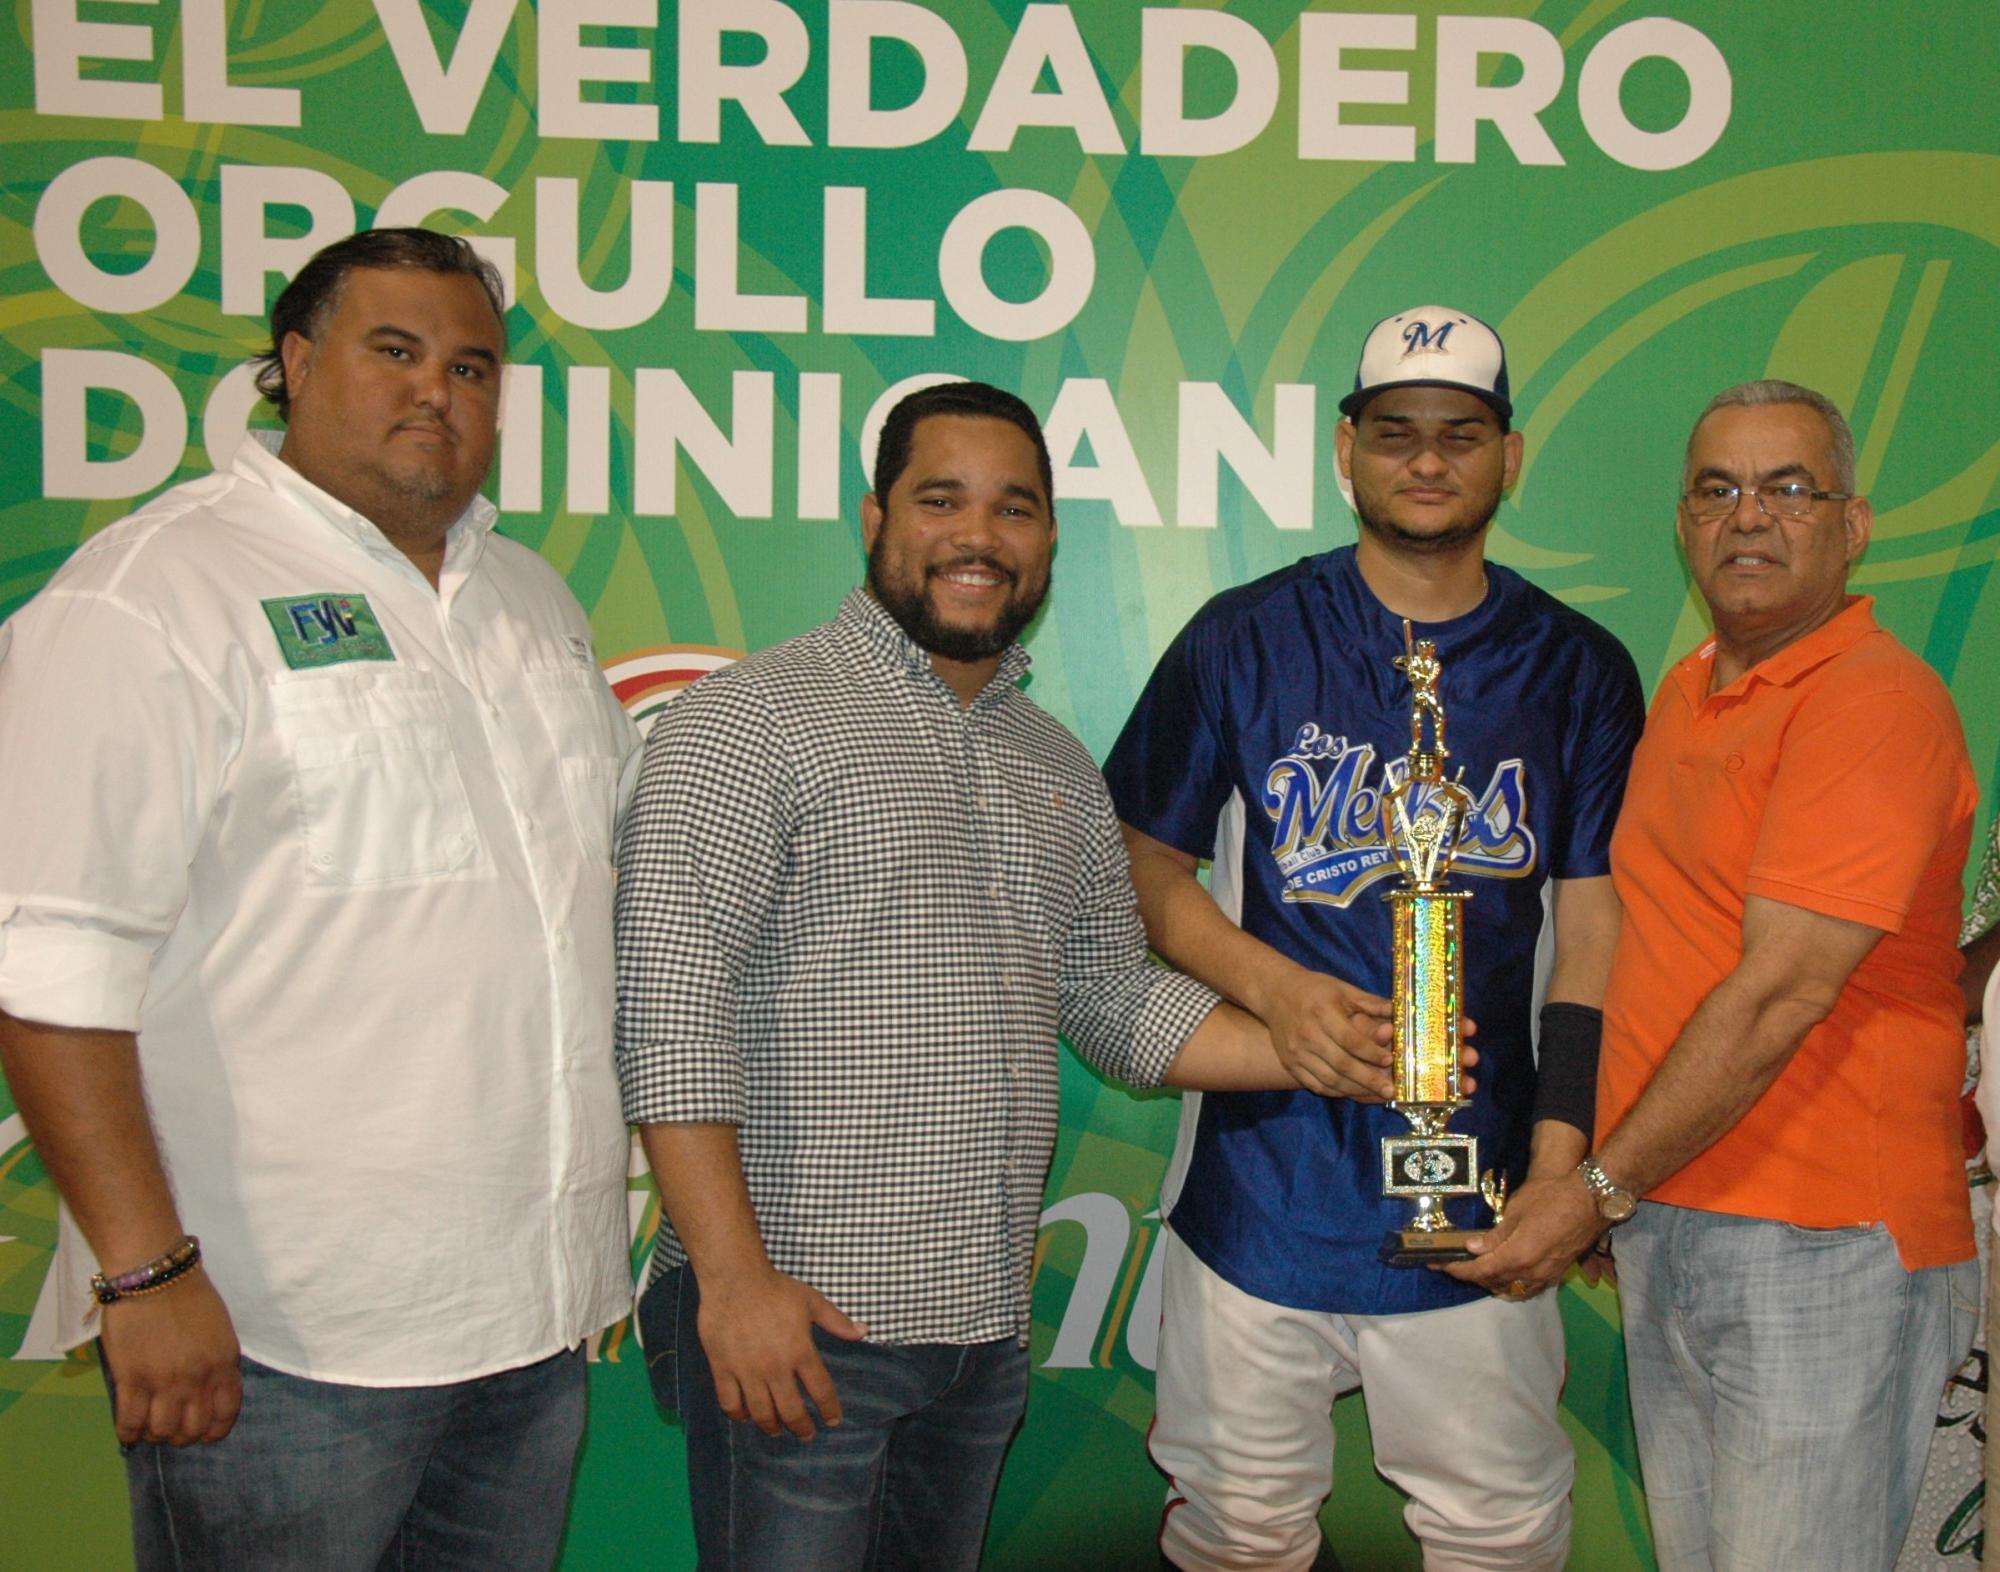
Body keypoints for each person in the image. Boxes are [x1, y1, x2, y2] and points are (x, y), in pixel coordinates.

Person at [613, 380, 1359, 1572]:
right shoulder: (748, 722)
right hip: (801, 1322)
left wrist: (1324, 1045)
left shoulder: (1051, 759)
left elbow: (1110, 997)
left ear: (1050, 539)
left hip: (976, 1335)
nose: (979, 536)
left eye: (1013, 508)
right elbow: (669, 1018)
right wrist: (734, 1280)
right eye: (940, 500)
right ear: (874, 518)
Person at [0, 228, 638, 1570]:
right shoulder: (153, 597)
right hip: (277, 1338)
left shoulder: (531, 605)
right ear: (292, 365)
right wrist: (145, 1273)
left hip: (529, 1327)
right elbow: (52, 969)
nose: (437, 392)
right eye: (393, 351)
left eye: (472, 364)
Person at [1102, 305, 1645, 1572]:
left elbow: (1592, 927)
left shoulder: (1576, 667)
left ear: (1507, 458)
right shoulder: (1240, 637)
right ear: (1345, 451)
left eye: (1461, 434)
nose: (1426, 459)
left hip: (1485, 1195)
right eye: (1394, 432)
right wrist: (1272, 990)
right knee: (1237, 1532)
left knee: (1499, 1534)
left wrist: (1560, 1164)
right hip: (1262, 1187)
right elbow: (1139, 863)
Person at [1497, 379, 1980, 1571]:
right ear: (1680, 520)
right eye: (1716, 490)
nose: (1746, 518)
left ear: (1851, 522)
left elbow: (1779, 993)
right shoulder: (1692, 689)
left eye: (1786, 489)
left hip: (1821, 1240)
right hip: (1677, 1209)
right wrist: (1626, 1186)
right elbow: (1661, 942)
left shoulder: (1869, 703)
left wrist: (1594, 1186)